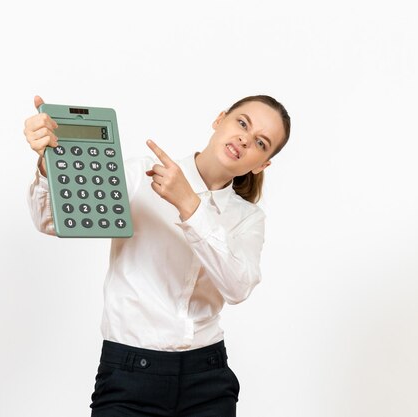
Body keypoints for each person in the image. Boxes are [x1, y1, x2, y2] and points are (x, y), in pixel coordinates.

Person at [25, 94, 291, 417]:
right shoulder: (139, 176)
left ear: (263, 164)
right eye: (242, 123)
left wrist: (189, 205)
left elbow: (237, 287)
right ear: (220, 119)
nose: (244, 140)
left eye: (261, 143)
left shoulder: (248, 218)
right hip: (128, 374)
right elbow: (49, 220)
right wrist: (45, 165)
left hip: (207, 378)